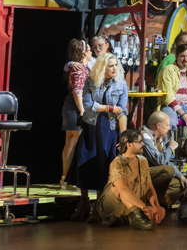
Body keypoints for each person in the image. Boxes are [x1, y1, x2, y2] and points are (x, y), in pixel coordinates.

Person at [76, 53, 129, 218]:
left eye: (115, 65)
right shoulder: (91, 81)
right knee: (83, 162)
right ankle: (83, 202)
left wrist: (123, 136)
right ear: (102, 67)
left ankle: (99, 206)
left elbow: (123, 111)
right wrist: (109, 108)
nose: (114, 68)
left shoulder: (121, 84)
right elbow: (87, 104)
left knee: (103, 164)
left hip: (109, 128)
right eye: (110, 65)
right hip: (91, 125)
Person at [91, 129, 165, 230]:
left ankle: (125, 217)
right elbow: (122, 190)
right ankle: (133, 218)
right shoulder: (117, 163)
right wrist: (144, 207)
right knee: (119, 189)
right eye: (139, 142)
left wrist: (156, 206)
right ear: (129, 145)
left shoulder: (143, 161)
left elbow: (149, 186)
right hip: (113, 203)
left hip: (132, 203)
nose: (143, 144)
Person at [140, 111, 187, 208]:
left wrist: (181, 176)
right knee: (168, 170)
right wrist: (170, 148)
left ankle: (160, 201)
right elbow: (159, 161)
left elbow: (167, 161)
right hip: (141, 175)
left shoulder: (160, 138)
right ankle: (148, 200)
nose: (169, 128)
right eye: (167, 125)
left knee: (179, 183)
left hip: (154, 174)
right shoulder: (144, 137)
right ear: (158, 126)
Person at [61, 38, 91, 189]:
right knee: (72, 143)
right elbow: (77, 90)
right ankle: (66, 178)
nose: (91, 51)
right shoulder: (77, 68)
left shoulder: (78, 66)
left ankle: (66, 177)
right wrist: (82, 110)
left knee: (71, 143)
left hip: (72, 107)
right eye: (88, 48)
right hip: (75, 107)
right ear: (83, 52)